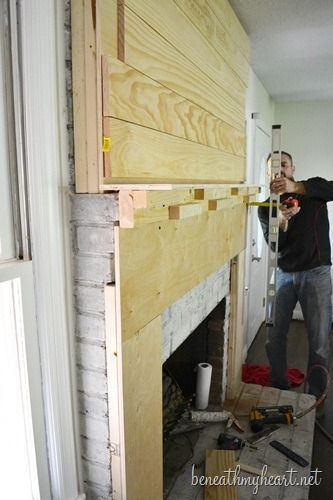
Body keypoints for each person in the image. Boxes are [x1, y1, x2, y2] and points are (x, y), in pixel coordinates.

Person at [258, 151, 333, 406]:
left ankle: (315, 398)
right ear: (268, 174)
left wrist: (295, 187)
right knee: (273, 336)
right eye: (274, 169)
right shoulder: (266, 206)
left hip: (317, 272)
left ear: (293, 168)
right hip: (283, 274)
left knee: (319, 339)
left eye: (284, 166)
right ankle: (279, 387)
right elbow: (274, 247)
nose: (279, 172)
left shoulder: (313, 191)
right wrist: (281, 222)